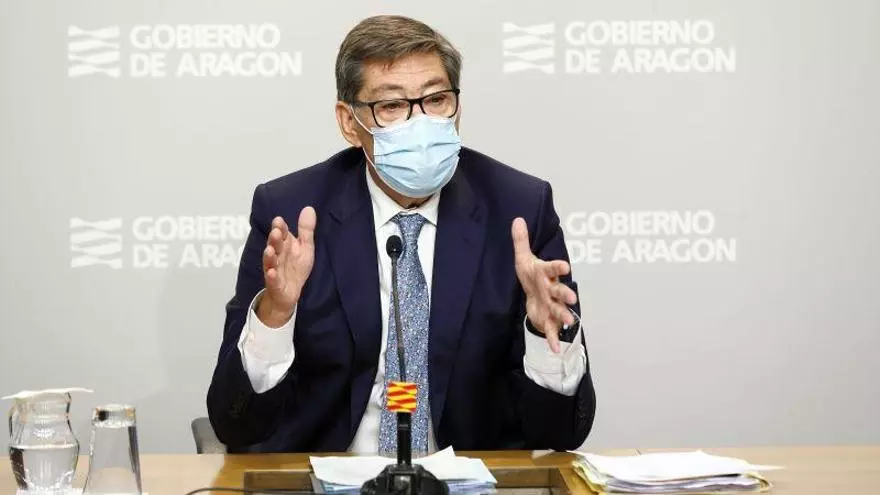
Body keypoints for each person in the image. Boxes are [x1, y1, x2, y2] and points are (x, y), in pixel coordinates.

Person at [207, 15, 596, 454]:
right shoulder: (292, 214)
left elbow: (562, 434)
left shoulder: (518, 211)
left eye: (436, 99)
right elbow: (234, 423)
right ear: (349, 122)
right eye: (392, 106)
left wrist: (544, 338)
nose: (420, 122)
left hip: (469, 478)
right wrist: (275, 315)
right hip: (327, 475)